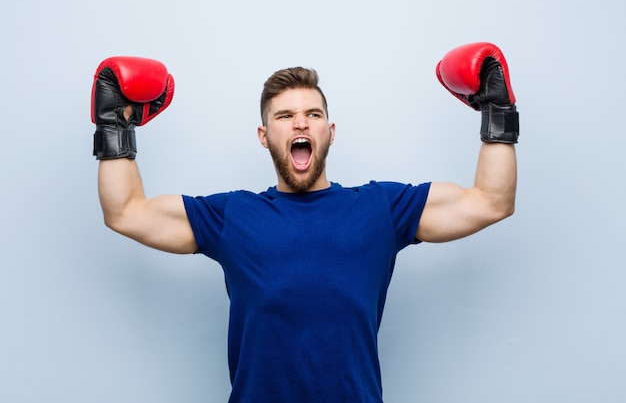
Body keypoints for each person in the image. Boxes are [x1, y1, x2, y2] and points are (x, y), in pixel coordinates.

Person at [91, 42, 518, 403]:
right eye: (284, 116)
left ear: (330, 132)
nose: (300, 122)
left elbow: (490, 202)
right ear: (264, 135)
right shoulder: (233, 216)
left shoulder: (381, 208)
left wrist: (496, 111)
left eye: (312, 115)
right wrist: (116, 125)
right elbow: (126, 211)